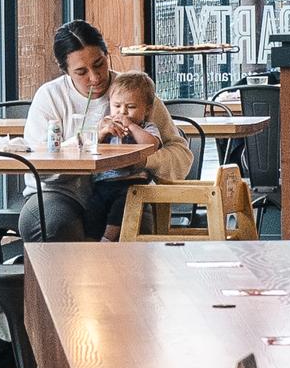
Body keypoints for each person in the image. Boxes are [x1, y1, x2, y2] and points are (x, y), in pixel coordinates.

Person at [17, 22, 138, 243]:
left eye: (99, 64)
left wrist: (140, 158)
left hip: (123, 191)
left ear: (107, 54)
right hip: (60, 192)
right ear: (65, 71)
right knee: (50, 222)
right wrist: (91, 138)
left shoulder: (132, 91)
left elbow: (178, 152)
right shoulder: (50, 96)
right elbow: (39, 167)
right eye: (81, 72)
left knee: (139, 219)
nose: (95, 77)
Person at [99, 73, 198, 184]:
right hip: (104, 180)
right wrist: (103, 132)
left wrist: (131, 126)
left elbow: (152, 145)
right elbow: (93, 146)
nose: (122, 112)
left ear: (147, 110)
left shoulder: (146, 127)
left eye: (131, 107)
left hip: (133, 180)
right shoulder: (107, 124)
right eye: (117, 106)